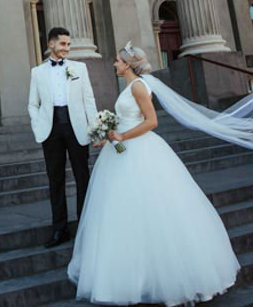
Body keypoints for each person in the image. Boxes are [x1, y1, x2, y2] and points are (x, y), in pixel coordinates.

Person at [67, 43, 239, 305]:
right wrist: (108, 134)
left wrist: (122, 134)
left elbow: (151, 121)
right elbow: (129, 118)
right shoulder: (132, 85)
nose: (114, 64)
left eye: (117, 61)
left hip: (138, 151)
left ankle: (155, 278)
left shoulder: (137, 86)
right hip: (121, 151)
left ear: (127, 64)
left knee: (146, 209)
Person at [28, 27, 98, 249]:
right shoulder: (37, 72)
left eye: (68, 44)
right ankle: (60, 230)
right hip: (51, 130)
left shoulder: (80, 68)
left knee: (82, 178)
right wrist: (37, 124)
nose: (67, 48)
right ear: (51, 44)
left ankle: (85, 228)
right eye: (63, 44)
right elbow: (33, 103)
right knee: (55, 180)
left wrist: (95, 127)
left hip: (77, 129)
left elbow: (89, 99)